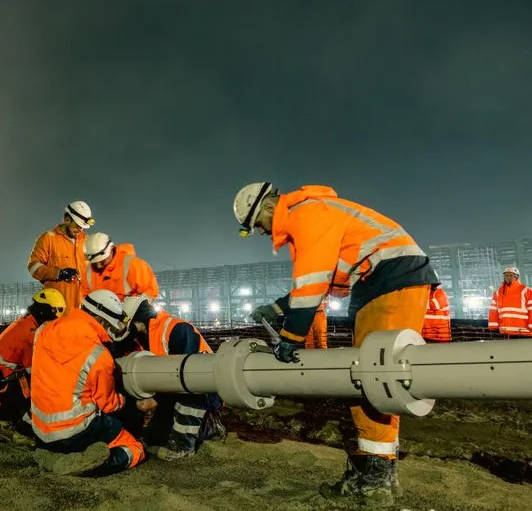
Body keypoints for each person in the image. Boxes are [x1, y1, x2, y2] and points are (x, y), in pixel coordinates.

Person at [236, 182, 438, 504]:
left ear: (268, 209)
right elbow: (320, 280)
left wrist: (290, 338)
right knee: (369, 378)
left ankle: (376, 479)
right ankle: (375, 472)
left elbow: (313, 285)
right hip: (380, 281)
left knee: (376, 379)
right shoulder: (311, 213)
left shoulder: (306, 216)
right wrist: (275, 309)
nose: (260, 233)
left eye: (256, 225)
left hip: (387, 280)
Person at [30, 289, 149, 476]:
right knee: (135, 448)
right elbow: (108, 405)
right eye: (110, 327)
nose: (110, 333)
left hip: (40, 430)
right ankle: (84, 466)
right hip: (74, 431)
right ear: (100, 320)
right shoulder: (99, 356)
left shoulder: (43, 331)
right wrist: (132, 403)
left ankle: (53, 455)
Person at [121, 295, 224, 460]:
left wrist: (156, 400)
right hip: (172, 391)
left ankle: (187, 444)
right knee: (153, 441)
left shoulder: (177, 329)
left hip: (204, 392)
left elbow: (186, 374)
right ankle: (178, 434)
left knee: (190, 396)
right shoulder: (145, 337)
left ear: (137, 322)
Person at [0, 288, 66, 443]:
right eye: (54, 313)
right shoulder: (29, 332)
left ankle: (7, 423)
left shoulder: (26, 324)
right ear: (45, 311)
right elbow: (35, 369)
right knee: (43, 386)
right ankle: (20, 429)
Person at [27, 201, 94, 311]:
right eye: (77, 226)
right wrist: (58, 273)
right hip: (57, 309)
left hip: (82, 310)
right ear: (66, 219)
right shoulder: (48, 239)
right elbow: (33, 267)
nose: (79, 230)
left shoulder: (86, 241)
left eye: (82, 227)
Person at [81, 232, 159, 301]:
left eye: (102, 261)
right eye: (95, 262)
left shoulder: (133, 265)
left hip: (131, 315)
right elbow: (85, 297)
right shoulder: (88, 272)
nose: (98, 266)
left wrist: (135, 309)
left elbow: (150, 292)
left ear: (111, 249)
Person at [488, 266, 532, 337]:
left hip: (524, 332)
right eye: (506, 275)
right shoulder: (498, 293)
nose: (508, 277)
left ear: (517, 277)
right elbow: (493, 311)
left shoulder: (527, 291)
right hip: (505, 332)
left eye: (511, 275)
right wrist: (493, 327)